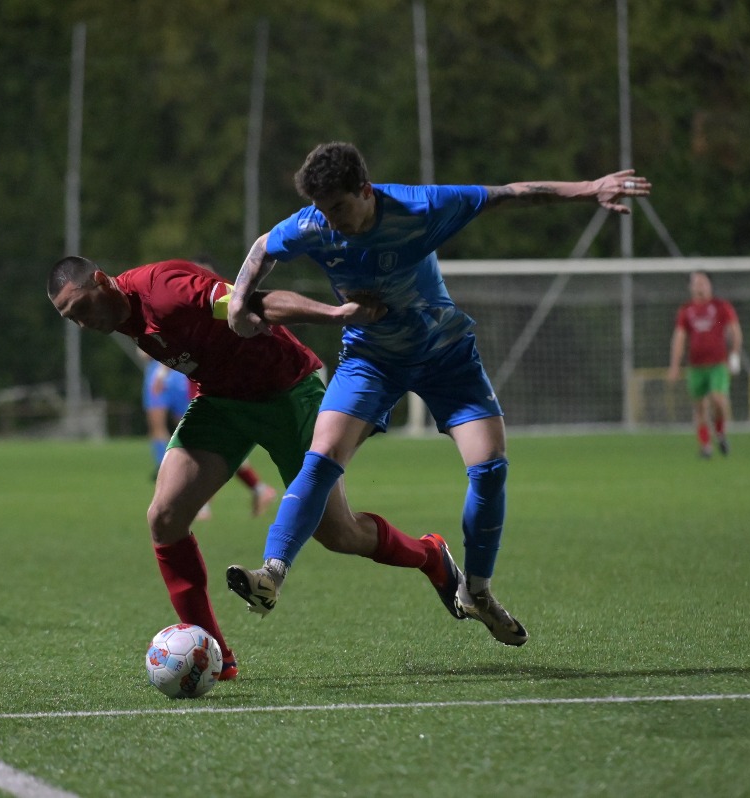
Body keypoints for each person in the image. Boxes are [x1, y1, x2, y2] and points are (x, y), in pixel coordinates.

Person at [225, 140, 652, 647]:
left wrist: (590, 189)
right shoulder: (314, 225)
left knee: (489, 464)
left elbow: (509, 194)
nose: (330, 221)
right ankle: (271, 574)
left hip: (446, 354)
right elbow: (260, 248)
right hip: (371, 360)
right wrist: (238, 300)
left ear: (365, 190)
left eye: (338, 207)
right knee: (321, 457)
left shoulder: (420, 207)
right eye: (322, 210)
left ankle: (477, 591)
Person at [48, 255, 466, 681]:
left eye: (81, 308)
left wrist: (335, 314)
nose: (82, 322)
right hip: (223, 404)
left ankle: (430, 554)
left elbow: (252, 304)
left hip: (288, 392)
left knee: (339, 534)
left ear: (102, 280)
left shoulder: (164, 290)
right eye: (71, 318)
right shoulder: (122, 316)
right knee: (164, 518)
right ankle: (216, 658)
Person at [141, 356, 277, 519]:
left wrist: (162, 373)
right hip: (201, 390)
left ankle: (205, 505)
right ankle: (259, 490)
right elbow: (180, 349)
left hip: (213, 390)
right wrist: (163, 372)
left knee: (207, 448)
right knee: (213, 447)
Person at [667, 270, 742, 459]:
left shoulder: (719, 308)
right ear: (690, 287)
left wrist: (734, 354)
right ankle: (705, 445)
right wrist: (675, 365)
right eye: (696, 282)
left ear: (710, 285)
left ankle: (720, 432)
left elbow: (734, 330)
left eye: (703, 282)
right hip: (695, 366)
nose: (699, 286)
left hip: (717, 364)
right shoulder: (687, 311)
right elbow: (679, 338)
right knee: (699, 407)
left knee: (718, 400)